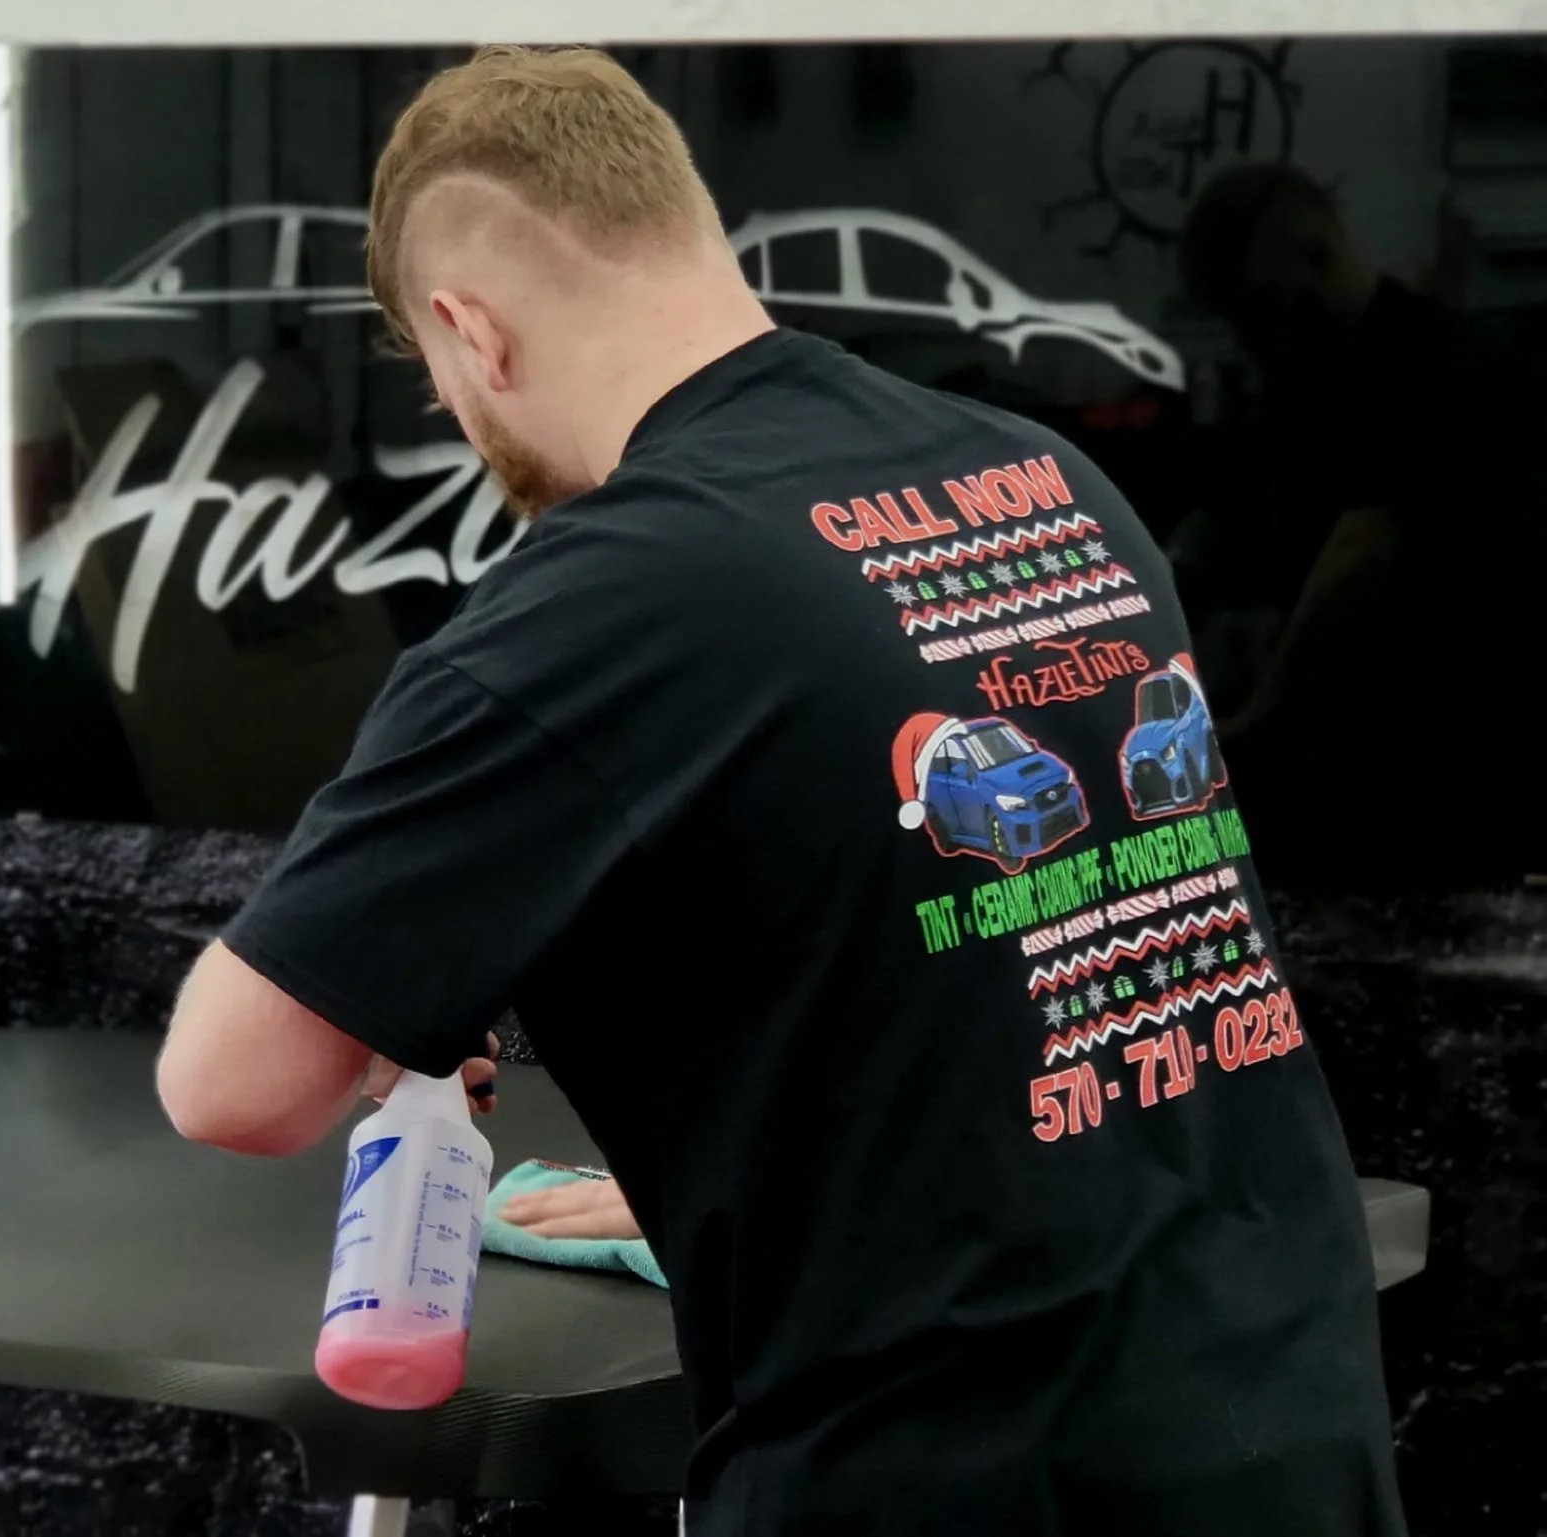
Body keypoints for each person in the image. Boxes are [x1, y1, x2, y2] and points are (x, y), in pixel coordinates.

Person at [157, 46, 1406, 1536]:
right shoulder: (1042, 481)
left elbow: (230, 1084)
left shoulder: (608, 590)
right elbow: (1046, 958)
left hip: (961, 1471)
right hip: (1287, 1416)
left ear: (468, 333)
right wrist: (747, 1192)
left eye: (438, 386)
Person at [1175, 163, 1547, 882]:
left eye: (1256, 306)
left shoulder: (1433, 363)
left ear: (1316, 258)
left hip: (1453, 766)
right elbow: (1228, 514)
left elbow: (1360, 551)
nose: (1248, 337)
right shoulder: (1303, 383)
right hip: (1366, 767)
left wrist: (1257, 719)